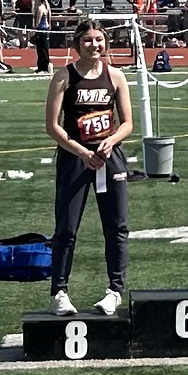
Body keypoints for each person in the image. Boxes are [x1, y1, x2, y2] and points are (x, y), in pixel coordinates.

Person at [44, 19, 134, 317]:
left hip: (110, 158)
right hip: (75, 159)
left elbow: (128, 124)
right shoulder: (64, 76)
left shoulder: (116, 76)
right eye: (88, 40)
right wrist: (82, 152)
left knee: (117, 227)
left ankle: (114, 291)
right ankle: (59, 291)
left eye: (99, 39)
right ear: (76, 44)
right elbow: (53, 126)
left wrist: (110, 142)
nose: (94, 45)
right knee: (67, 228)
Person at [32, 0, 52, 74]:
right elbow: (49, 16)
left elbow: (38, 21)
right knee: (44, 48)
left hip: (41, 29)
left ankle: (43, 67)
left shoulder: (40, 8)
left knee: (41, 49)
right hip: (45, 29)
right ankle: (44, 66)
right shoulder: (46, 6)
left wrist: (35, 28)